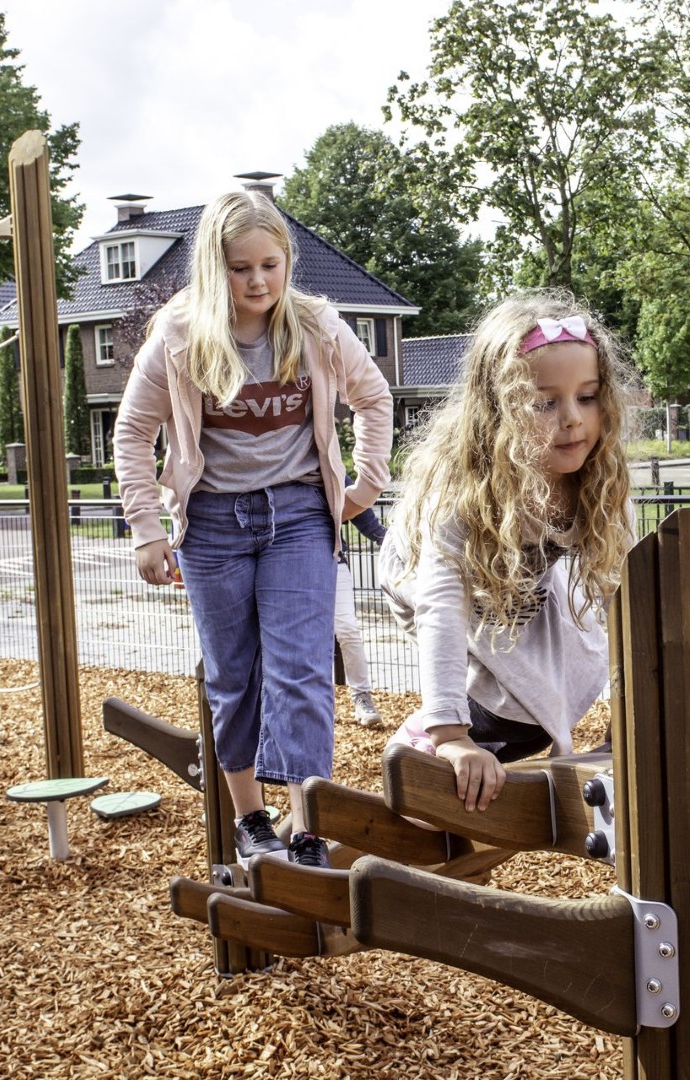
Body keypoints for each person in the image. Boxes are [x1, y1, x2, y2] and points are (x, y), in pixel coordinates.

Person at [115, 189, 392, 869]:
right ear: (216, 269)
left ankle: (307, 826)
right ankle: (250, 819)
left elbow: (373, 396)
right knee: (234, 674)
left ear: (288, 260)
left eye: (271, 264)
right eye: (242, 269)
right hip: (213, 524)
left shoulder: (316, 325)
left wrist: (366, 485)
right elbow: (133, 431)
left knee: (301, 670)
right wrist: (146, 527)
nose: (259, 281)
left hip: (298, 515)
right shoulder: (179, 336)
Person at [379, 291, 635, 812]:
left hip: (515, 580)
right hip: (420, 575)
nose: (572, 418)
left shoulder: (600, 481)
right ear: (499, 410)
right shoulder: (459, 492)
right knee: (481, 671)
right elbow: (440, 609)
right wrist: (452, 736)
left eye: (587, 397)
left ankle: (486, 733)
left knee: (543, 672)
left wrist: (628, 719)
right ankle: (424, 739)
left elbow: (626, 599)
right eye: (545, 403)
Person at [337, 473, 388, 729]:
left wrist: (390, 540)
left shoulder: (331, 465)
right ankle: (316, 702)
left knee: (347, 628)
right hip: (284, 562)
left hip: (332, 558)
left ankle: (361, 696)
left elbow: (365, 518)